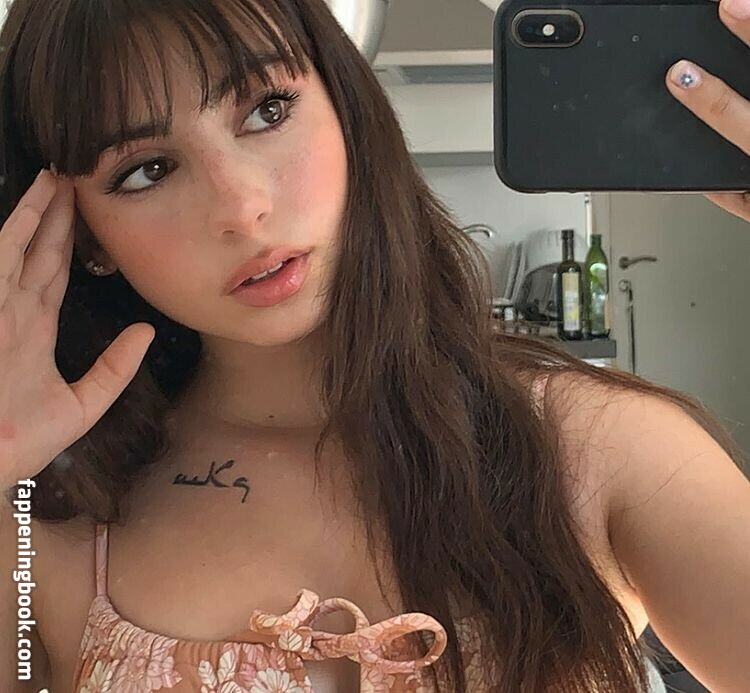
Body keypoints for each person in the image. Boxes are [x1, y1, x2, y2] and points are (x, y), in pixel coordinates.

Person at [0, 0, 748, 691]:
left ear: (346, 109)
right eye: (147, 171)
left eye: (267, 110)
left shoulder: (596, 450)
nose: (242, 206)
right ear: (84, 235)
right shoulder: (46, 521)